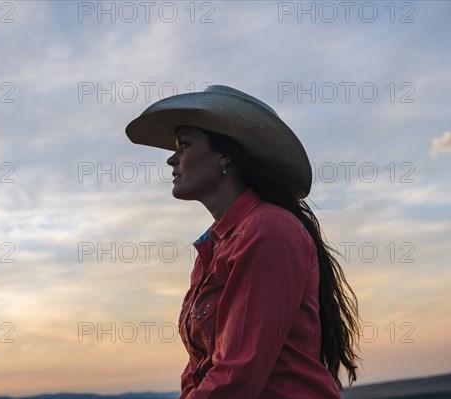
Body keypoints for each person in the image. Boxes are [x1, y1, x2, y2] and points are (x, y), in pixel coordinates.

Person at [125, 85, 360, 398]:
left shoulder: (267, 230)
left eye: (184, 145)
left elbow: (237, 376)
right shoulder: (214, 247)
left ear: (225, 154)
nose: (172, 159)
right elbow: (201, 371)